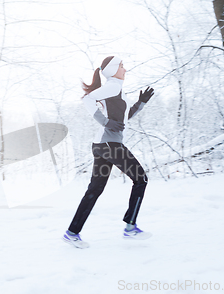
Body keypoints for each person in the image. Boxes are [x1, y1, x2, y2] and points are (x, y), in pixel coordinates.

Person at [62, 56, 155, 249]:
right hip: (110, 146)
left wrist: (141, 103)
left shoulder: (116, 90)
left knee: (95, 190)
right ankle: (130, 227)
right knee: (141, 179)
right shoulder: (113, 86)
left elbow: (125, 118)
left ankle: (72, 232)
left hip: (101, 146)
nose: (125, 69)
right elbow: (87, 99)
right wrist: (105, 122)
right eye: (121, 66)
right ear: (113, 70)